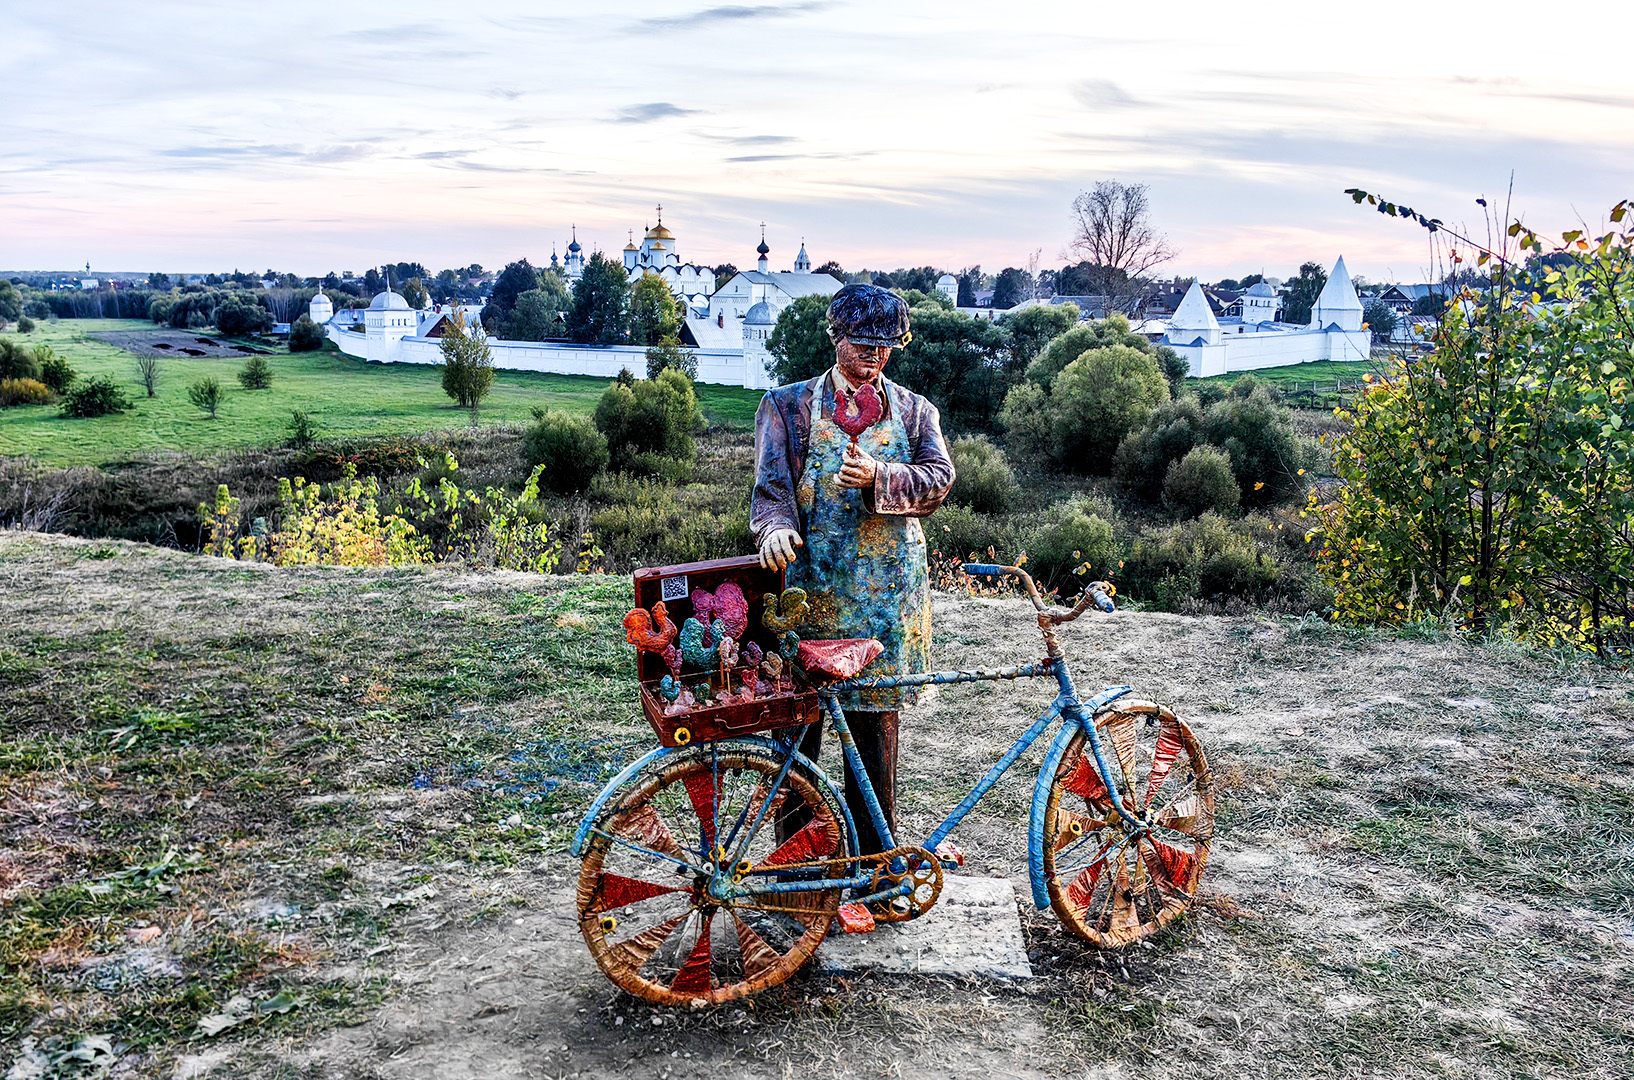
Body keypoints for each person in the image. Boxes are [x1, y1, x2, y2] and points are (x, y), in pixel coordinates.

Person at [751, 283, 954, 855]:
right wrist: (774, 528)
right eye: (863, 342)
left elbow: (940, 480)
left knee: (874, 742)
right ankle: (793, 869)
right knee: (796, 741)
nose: (875, 355)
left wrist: (881, 477)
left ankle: (873, 867)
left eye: (887, 345)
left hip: (888, 604)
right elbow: (770, 491)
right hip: (806, 599)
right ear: (835, 337)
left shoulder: (916, 411)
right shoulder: (786, 407)